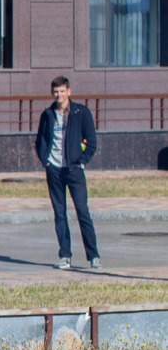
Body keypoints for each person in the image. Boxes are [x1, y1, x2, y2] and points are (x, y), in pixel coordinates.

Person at [35, 76, 101, 271]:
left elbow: (91, 141)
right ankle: (65, 255)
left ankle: (93, 255)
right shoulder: (47, 114)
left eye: (62, 91)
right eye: (56, 92)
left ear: (69, 91)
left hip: (74, 170)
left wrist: (81, 161)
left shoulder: (81, 112)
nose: (59, 95)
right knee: (59, 213)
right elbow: (40, 140)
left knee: (82, 212)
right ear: (52, 93)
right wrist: (45, 160)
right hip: (54, 169)